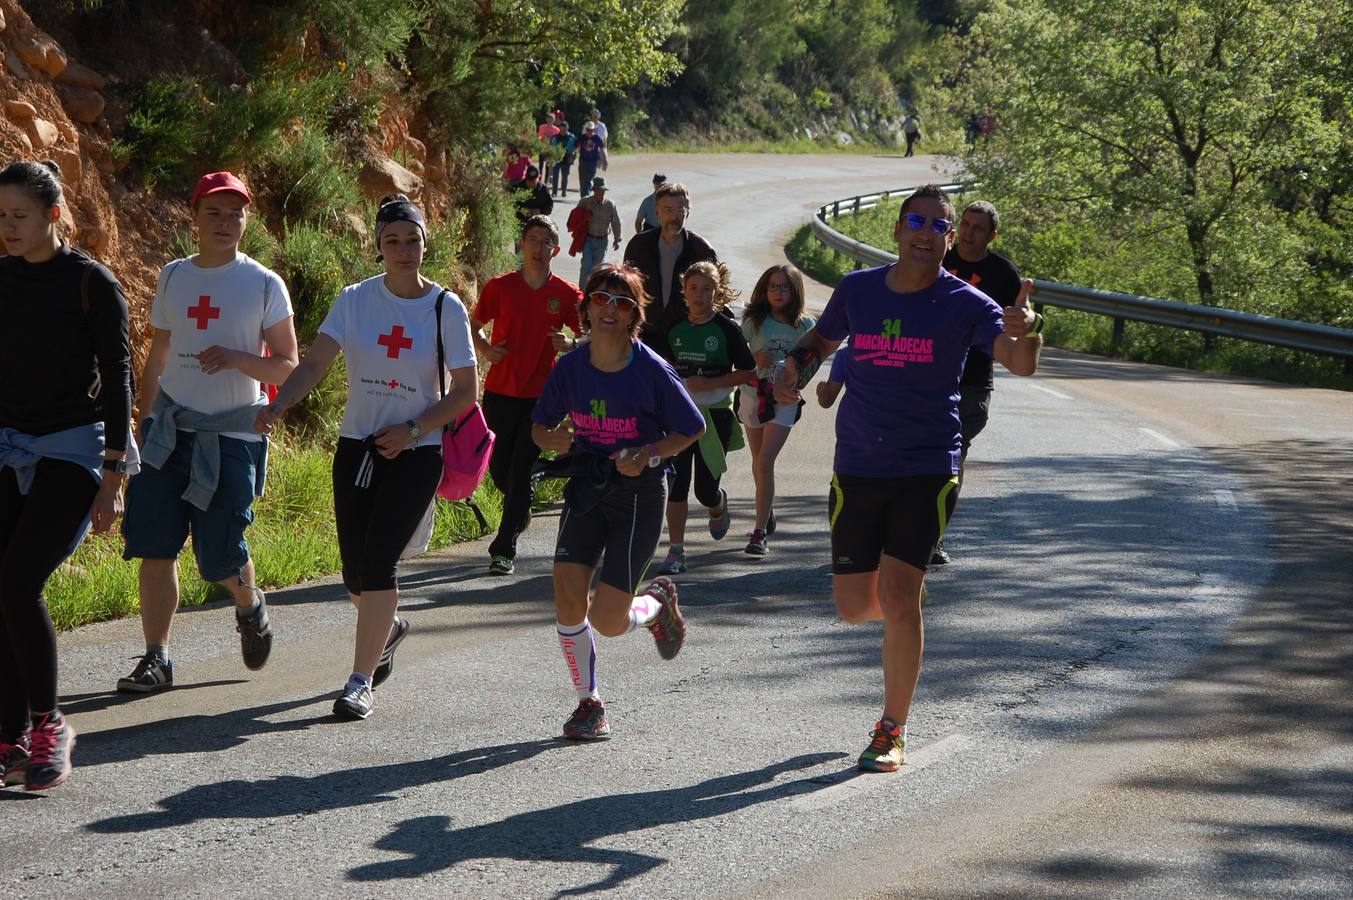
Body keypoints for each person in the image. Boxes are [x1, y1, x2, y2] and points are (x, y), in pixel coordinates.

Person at [774, 184, 1042, 773]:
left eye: (939, 226)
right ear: (897, 230)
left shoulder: (965, 301)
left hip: (927, 465)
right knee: (852, 607)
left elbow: (1016, 360)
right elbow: (820, 339)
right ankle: (904, 608)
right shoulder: (859, 290)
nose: (927, 233)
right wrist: (792, 369)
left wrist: (1027, 330)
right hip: (858, 464)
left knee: (896, 596)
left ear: (950, 240)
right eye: (916, 222)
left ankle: (891, 727)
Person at [255, 194, 479, 720]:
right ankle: (390, 626)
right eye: (392, 241)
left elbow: (466, 391)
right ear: (378, 247)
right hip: (358, 446)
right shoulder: (355, 299)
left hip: (417, 447)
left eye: (412, 240)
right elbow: (313, 364)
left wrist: (412, 428)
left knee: (379, 562)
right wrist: (280, 406)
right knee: (354, 574)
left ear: (426, 243)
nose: (403, 250)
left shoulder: (446, 308)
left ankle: (359, 682)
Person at [117, 172, 297, 694]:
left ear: (247, 220)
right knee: (155, 545)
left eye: (235, 212)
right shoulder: (174, 276)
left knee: (218, 554)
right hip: (168, 433)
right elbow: (158, 356)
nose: (225, 222)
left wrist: (241, 359)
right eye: (214, 212)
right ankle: (157, 658)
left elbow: (288, 364)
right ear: (194, 217)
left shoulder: (263, 282)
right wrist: (143, 424)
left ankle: (249, 603)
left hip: (231, 438)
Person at [0, 159, 133, 791]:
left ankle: (49, 723)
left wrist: (112, 477)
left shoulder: (90, 283)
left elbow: (119, 379)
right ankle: (9, 736)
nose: (7, 228)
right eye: (0, 217)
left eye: (19, 216)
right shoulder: (1, 280)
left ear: (52, 215)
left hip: (76, 451)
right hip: (8, 448)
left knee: (19, 581)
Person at [531, 263, 705, 740]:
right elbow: (540, 427)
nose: (610, 309)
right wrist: (556, 439)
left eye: (622, 302)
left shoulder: (651, 369)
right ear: (585, 307)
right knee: (567, 597)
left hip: (640, 493)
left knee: (608, 621)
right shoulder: (569, 368)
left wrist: (648, 454)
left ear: (634, 317)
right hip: (589, 484)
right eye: (602, 299)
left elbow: (692, 428)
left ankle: (655, 605)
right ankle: (590, 704)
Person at [471, 215, 582, 575]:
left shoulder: (566, 295)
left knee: (518, 473)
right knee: (499, 471)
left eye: (545, 241)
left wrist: (570, 343)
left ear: (556, 249)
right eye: (532, 239)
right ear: (521, 244)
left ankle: (504, 548)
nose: (537, 247)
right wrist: (486, 350)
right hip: (500, 392)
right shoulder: (500, 287)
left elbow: (590, 336)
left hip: (542, 398)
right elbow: (471, 325)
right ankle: (524, 503)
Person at [935, 200, 1022, 565]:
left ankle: (932, 537)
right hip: (927, 374)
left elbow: (1014, 326)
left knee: (951, 461)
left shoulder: (1003, 274)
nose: (969, 233)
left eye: (977, 228)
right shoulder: (935, 259)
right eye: (965, 225)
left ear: (992, 235)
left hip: (972, 383)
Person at [655, 261, 756, 575]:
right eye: (694, 288)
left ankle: (717, 503)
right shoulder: (673, 328)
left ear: (718, 292)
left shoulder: (726, 329)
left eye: (707, 289)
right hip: (680, 418)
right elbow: (662, 366)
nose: (700, 295)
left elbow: (749, 372)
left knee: (704, 489)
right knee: (678, 484)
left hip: (715, 417)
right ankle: (676, 552)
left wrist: (710, 384)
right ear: (684, 291)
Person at [737, 264, 815, 556]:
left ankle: (758, 534)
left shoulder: (805, 326)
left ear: (794, 291)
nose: (778, 292)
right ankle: (765, 510)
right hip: (752, 395)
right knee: (758, 461)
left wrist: (794, 378)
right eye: (773, 286)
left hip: (783, 402)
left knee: (765, 461)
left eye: (784, 287)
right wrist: (755, 357)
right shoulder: (753, 321)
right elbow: (735, 356)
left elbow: (812, 363)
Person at [621, 182, 718, 360]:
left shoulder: (702, 250)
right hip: (644, 333)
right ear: (657, 213)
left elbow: (715, 297)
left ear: (688, 212)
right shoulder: (638, 246)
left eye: (680, 210)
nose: (674, 216)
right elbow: (625, 290)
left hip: (686, 336)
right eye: (668, 210)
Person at [575, 176, 621, 284]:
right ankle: (582, 293)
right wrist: (584, 217)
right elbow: (575, 216)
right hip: (588, 239)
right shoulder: (585, 202)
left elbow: (615, 223)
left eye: (603, 190)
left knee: (597, 269)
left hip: (603, 241)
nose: (601, 193)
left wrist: (617, 239)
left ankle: (593, 293)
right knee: (586, 265)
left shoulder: (610, 205)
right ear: (594, 190)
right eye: (598, 190)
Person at [816, 345, 850, 409]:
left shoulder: (844, 354)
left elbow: (826, 402)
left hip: (851, 415)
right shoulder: (844, 354)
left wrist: (822, 391)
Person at [576, 121, 604, 197]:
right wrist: (572, 156)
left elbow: (602, 149)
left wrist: (603, 161)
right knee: (582, 179)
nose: (589, 132)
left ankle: (586, 195)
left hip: (593, 162)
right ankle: (583, 194)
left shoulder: (597, 138)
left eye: (591, 130)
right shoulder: (582, 137)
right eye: (588, 130)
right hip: (583, 161)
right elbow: (575, 147)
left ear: (594, 130)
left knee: (589, 179)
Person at [551, 122, 576, 197]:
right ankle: (554, 192)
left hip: (567, 158)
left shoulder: (571, 137)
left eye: (565, 130)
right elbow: (551, 148)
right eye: (561, 130)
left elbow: (575, 149)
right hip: (557, 158)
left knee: (565, 176)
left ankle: (564, 191)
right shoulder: (555, 137)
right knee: (555, 176)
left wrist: (573, 157)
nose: (563, 131)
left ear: (567, 129)